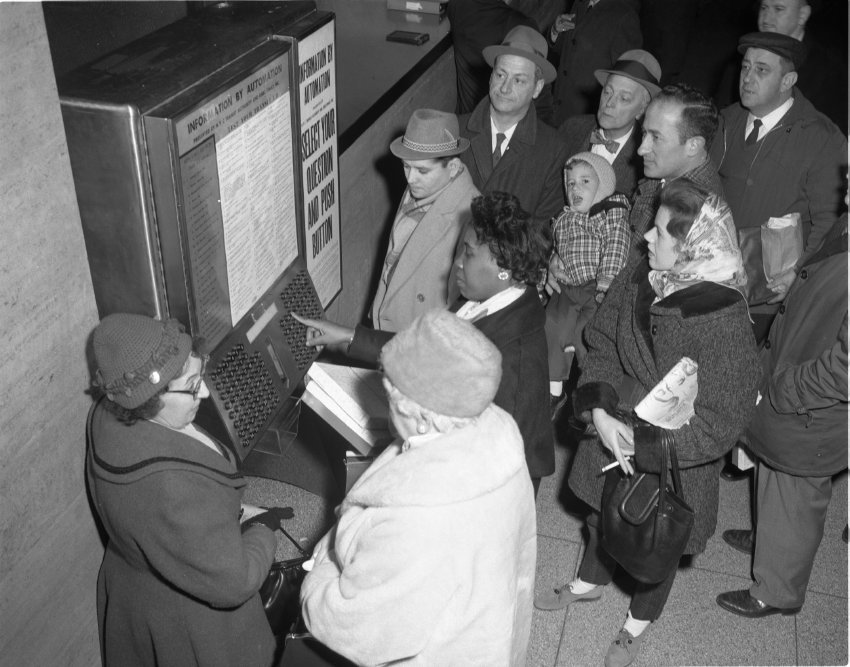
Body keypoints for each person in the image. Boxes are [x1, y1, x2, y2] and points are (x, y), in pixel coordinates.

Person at [535, 179, 759, 667]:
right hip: (614, 418)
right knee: (599, 515)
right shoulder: (644, 271)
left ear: (693, 248)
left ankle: (639, 621)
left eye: (660, 233)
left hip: (674, 452)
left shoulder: (724, 317)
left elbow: (722, 422)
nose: (646, 240)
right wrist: (596, 407)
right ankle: (589, 582)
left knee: (654, 543)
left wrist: (641, 443)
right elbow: (600, 340)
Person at [300, 309, 537, 665]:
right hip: (479, 631)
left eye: (391, 393)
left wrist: (321, 577)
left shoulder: (420, 520)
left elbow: (355, 628)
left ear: (423, 417)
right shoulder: (495, 430)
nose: (385, 398)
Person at [294, 191, 554, 494]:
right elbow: (425, 348)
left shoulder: (513, 359)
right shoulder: (493, 303)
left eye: (467, 254)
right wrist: (347, 336)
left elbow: (499, 470)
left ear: (503, 269)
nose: (456, 264)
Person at [86, 314, 292, 667]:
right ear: (151, 398)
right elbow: (235, 581)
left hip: (137, 593)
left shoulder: (111, 409)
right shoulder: (172, 489)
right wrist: (263, 530)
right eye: (194, 384)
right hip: (188, 624)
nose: (206, 392)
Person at [716, 207, 847, 618]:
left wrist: (786, 388)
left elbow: (846, 373)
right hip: (796, 377)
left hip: (812, 405)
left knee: (795, 492)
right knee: (773, 470)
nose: (845, 177)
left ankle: (777, 592)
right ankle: (767, 538)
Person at [709, 31, 847, 343]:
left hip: (766, 301)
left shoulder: (820, 136)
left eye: (762, 70)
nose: (747, 78)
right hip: (711, 283)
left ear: (788, 81)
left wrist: (799, 274)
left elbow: (830, 221)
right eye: (745, 67)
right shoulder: (725, 121)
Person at [371, 108, 480, 332]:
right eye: (406, 166)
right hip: (390, 330)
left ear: (453, 167)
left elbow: (464, 307)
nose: (411, 179)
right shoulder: (422, 190)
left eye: (422, 170)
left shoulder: (473, 217)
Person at [458, 25, 570, 231]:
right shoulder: (455, 131)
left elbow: (541, 233)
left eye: (518, 80)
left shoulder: (553, 151)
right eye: (501, 75)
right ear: (491, 76)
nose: (505, 88)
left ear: (537, 88)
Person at [545, 152, 630, 416]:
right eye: (570, 183)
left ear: (602, 187)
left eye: (585, 182)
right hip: (567, 288)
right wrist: (551, 261)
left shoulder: (610, 212)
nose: (575, 189)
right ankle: (552, 393)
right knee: (551, 327)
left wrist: (607, 283)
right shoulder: (563, 218)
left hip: (596, 287)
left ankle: (590, 402)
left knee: (588, 335)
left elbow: (616, 246)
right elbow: (557, 249)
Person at [558, 49, 662, 199]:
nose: (609, 103)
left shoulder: (646, 162)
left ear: (642, 109)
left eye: (624, 98)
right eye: (607, 92)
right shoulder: (571, 128)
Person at [629, 83, 723, 243]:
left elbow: (634, 266)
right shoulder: (670, 169)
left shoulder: (693, 213)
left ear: (693, 145)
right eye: (644, 132)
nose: (641, 149)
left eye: (656, 138)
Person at [547, 0, 642, 125]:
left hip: (586, 116)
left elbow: (626, 77)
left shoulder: (624, 15)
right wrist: (555, 31)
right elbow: (569, 51)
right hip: (556, 108)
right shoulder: (580, 4)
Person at [446, 0, 539, 116]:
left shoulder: (460, 6)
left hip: (466, 122)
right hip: (511, 126)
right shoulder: (523, 28)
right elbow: (541, 103)